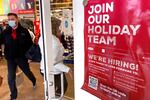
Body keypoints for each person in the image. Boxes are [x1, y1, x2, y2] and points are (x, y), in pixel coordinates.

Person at [0, 13, 36, 100]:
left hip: (22, 58)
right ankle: (13, 95)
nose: (10, 21)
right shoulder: (5, 32)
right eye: (9, 19)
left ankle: (33, 80)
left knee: (27, 72)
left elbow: (30, 45)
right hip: (11, 59)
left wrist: (30, 57)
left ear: (17, 19)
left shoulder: (24, 31)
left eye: (12, 19)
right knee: (10, 77)